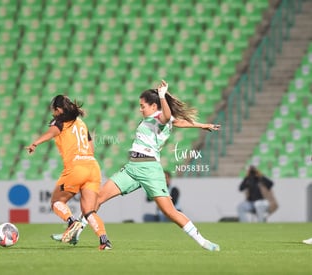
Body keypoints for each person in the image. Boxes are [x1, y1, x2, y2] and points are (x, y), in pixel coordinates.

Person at [52, 80, 221, 251]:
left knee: (169, 211)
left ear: (154, 106)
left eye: (143, 106)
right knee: (98, 197)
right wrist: (202, 125)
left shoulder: (161, 118)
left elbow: (169, 118)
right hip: (132, 168)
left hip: (150, 170)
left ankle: (203, 241)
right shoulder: (154, 119)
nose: (140, 109)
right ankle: (75, 232)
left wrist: (162, 95)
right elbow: (179, 122)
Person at [25, 95, 112, 250]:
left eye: (54, 110)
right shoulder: (81, 123)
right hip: (93, 167)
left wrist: (35, 143)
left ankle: (72, 222)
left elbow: (52, 132)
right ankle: (104, 241)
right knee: (89, 211)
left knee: (56, 202)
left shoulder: (60, 121)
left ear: (58, 110)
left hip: (76, 168)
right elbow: (91, 148)